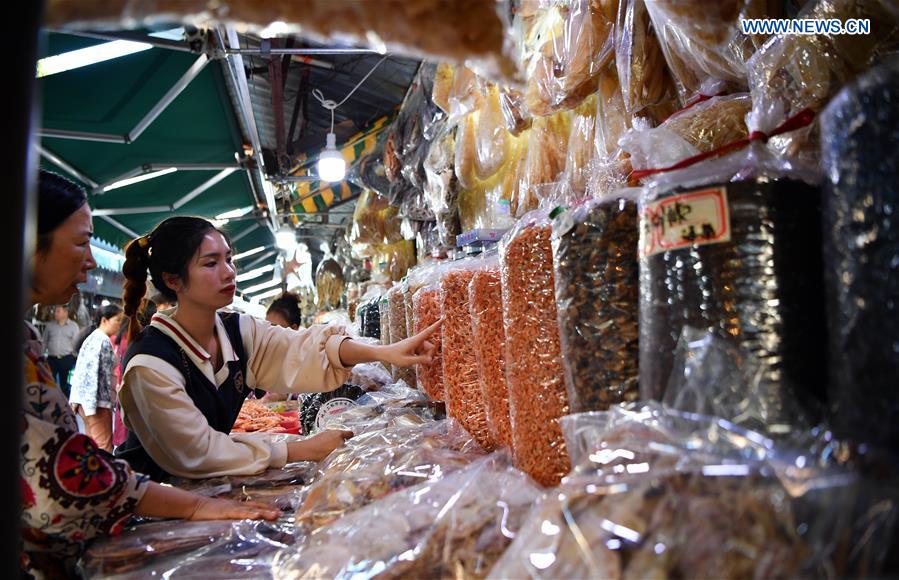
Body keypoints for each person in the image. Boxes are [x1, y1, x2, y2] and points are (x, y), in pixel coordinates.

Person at [22, 170, 278, 577]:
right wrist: (195, 505)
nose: (90, 259)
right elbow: (63, 473)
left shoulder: (23, 336)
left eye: (229, 260)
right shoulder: (149, 360)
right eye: (80, 242)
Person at [116, 216, 440, 482]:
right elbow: (196, 451)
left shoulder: (236, 330)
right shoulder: (151, 363)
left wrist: (385, 352)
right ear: (173, 280)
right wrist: (298, 449)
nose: (229, 271)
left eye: (228, 259)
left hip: (208, 493)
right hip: (152, 511)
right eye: (211, 263)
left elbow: (304, 349)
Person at [68, 303, 125, 452]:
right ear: (104, 320)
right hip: (96, 402)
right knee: (103, 447)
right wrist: (92, 405)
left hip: (89, 402)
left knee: (92, 446)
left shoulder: (95, 338)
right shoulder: (102, 341)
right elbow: (94, 375)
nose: (120, 324)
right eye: (117, 320)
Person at [42, 304, 80, 397]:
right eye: (55, 311)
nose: (55, 313)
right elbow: (44, 342)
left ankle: (63, 404)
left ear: (65, 312)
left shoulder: (73, 326)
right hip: (51, 359)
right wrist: (41, 356)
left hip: (66, 359)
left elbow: (77, 343)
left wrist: (75, 358)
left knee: (64, 384)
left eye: (58, 311)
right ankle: (51, 401)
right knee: (50, 382)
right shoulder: (50, 326)